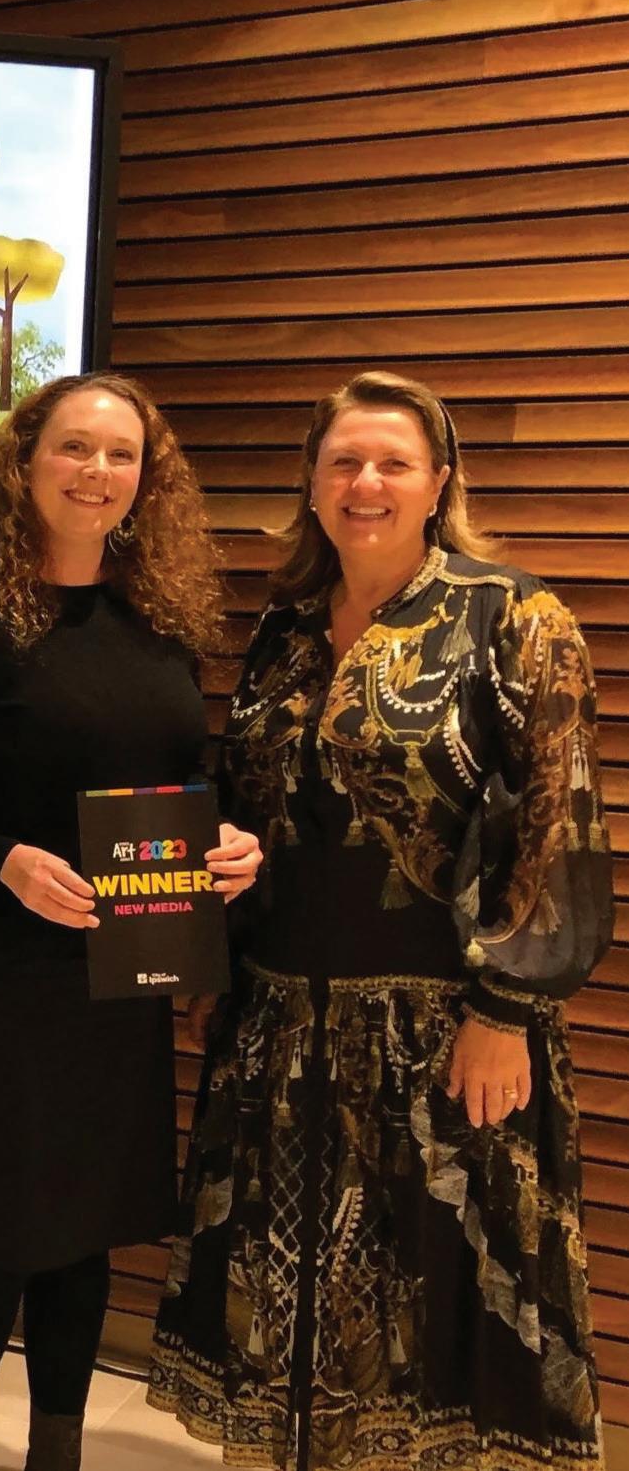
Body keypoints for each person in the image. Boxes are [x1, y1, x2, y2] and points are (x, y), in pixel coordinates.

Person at [147, 370, 612, 1471]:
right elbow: (258, 806)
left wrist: (506, 1010)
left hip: (443, 1030)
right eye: (344, 462)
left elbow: (559, 825)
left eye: (394, 462)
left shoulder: (514, 617)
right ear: (312, 485)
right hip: (282, 1027)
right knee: (290, 1326)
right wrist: (213, 946)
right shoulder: (285, 630)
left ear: (439, 481)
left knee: (437, 1316)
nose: (367, 483)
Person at [0, 371, 264, 1471]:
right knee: (2, 1226)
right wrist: (3, 863)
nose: (97, 471)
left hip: (123, 965)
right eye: (75, 448)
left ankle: (57, 1452)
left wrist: (228, 843)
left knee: (90, 1225)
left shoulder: (160, 624)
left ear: (147, 479)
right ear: (25, 465)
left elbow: (179, 780)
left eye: (122, 454)